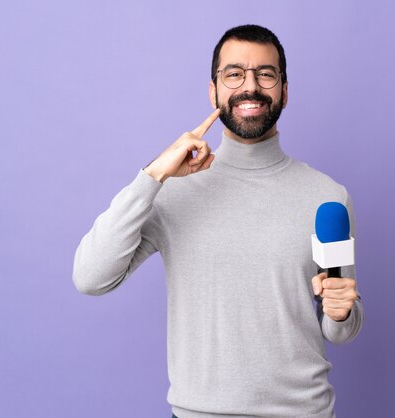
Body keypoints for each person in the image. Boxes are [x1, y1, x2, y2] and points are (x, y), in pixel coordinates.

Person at [73, 24, 363, 418]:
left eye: (265, 73)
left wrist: (343, 311)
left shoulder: (327, 196)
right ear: (213, 90)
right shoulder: (173, 190)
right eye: (233, 74)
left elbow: (338, 328)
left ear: (284, 90)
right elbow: (90, 277)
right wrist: (153, 175)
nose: (251, 86)